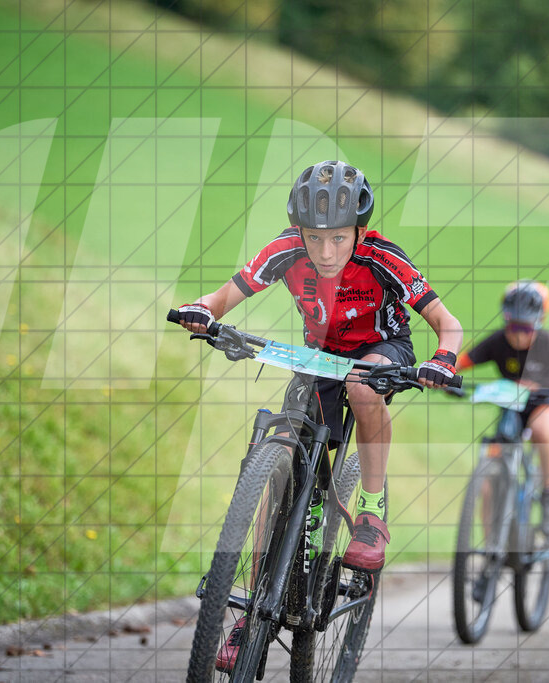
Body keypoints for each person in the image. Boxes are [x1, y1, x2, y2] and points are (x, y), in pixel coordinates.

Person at [175, 161, 463, 672]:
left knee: (361, 384)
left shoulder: (383, 258)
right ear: (299, 231)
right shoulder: (285, 251)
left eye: (338, 239)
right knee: (282, 456)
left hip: (381, 350)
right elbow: (221, 297)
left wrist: (442, 359)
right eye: (314, 238)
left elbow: (448, 324)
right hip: (319, 358)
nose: (325, 252)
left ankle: (371, 511)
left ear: (359, 231)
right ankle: (252, 611)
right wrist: (203, 312)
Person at [455, 281, 549, 537]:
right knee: (488, 482)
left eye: (526, 327)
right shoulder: (495, 341)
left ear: (538, 323)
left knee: (542, 429)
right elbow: (459, 364)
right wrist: (441, 374)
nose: (518, 334)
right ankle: (491, 545)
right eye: (512, 326)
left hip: (544, 405)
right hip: (511, 411)